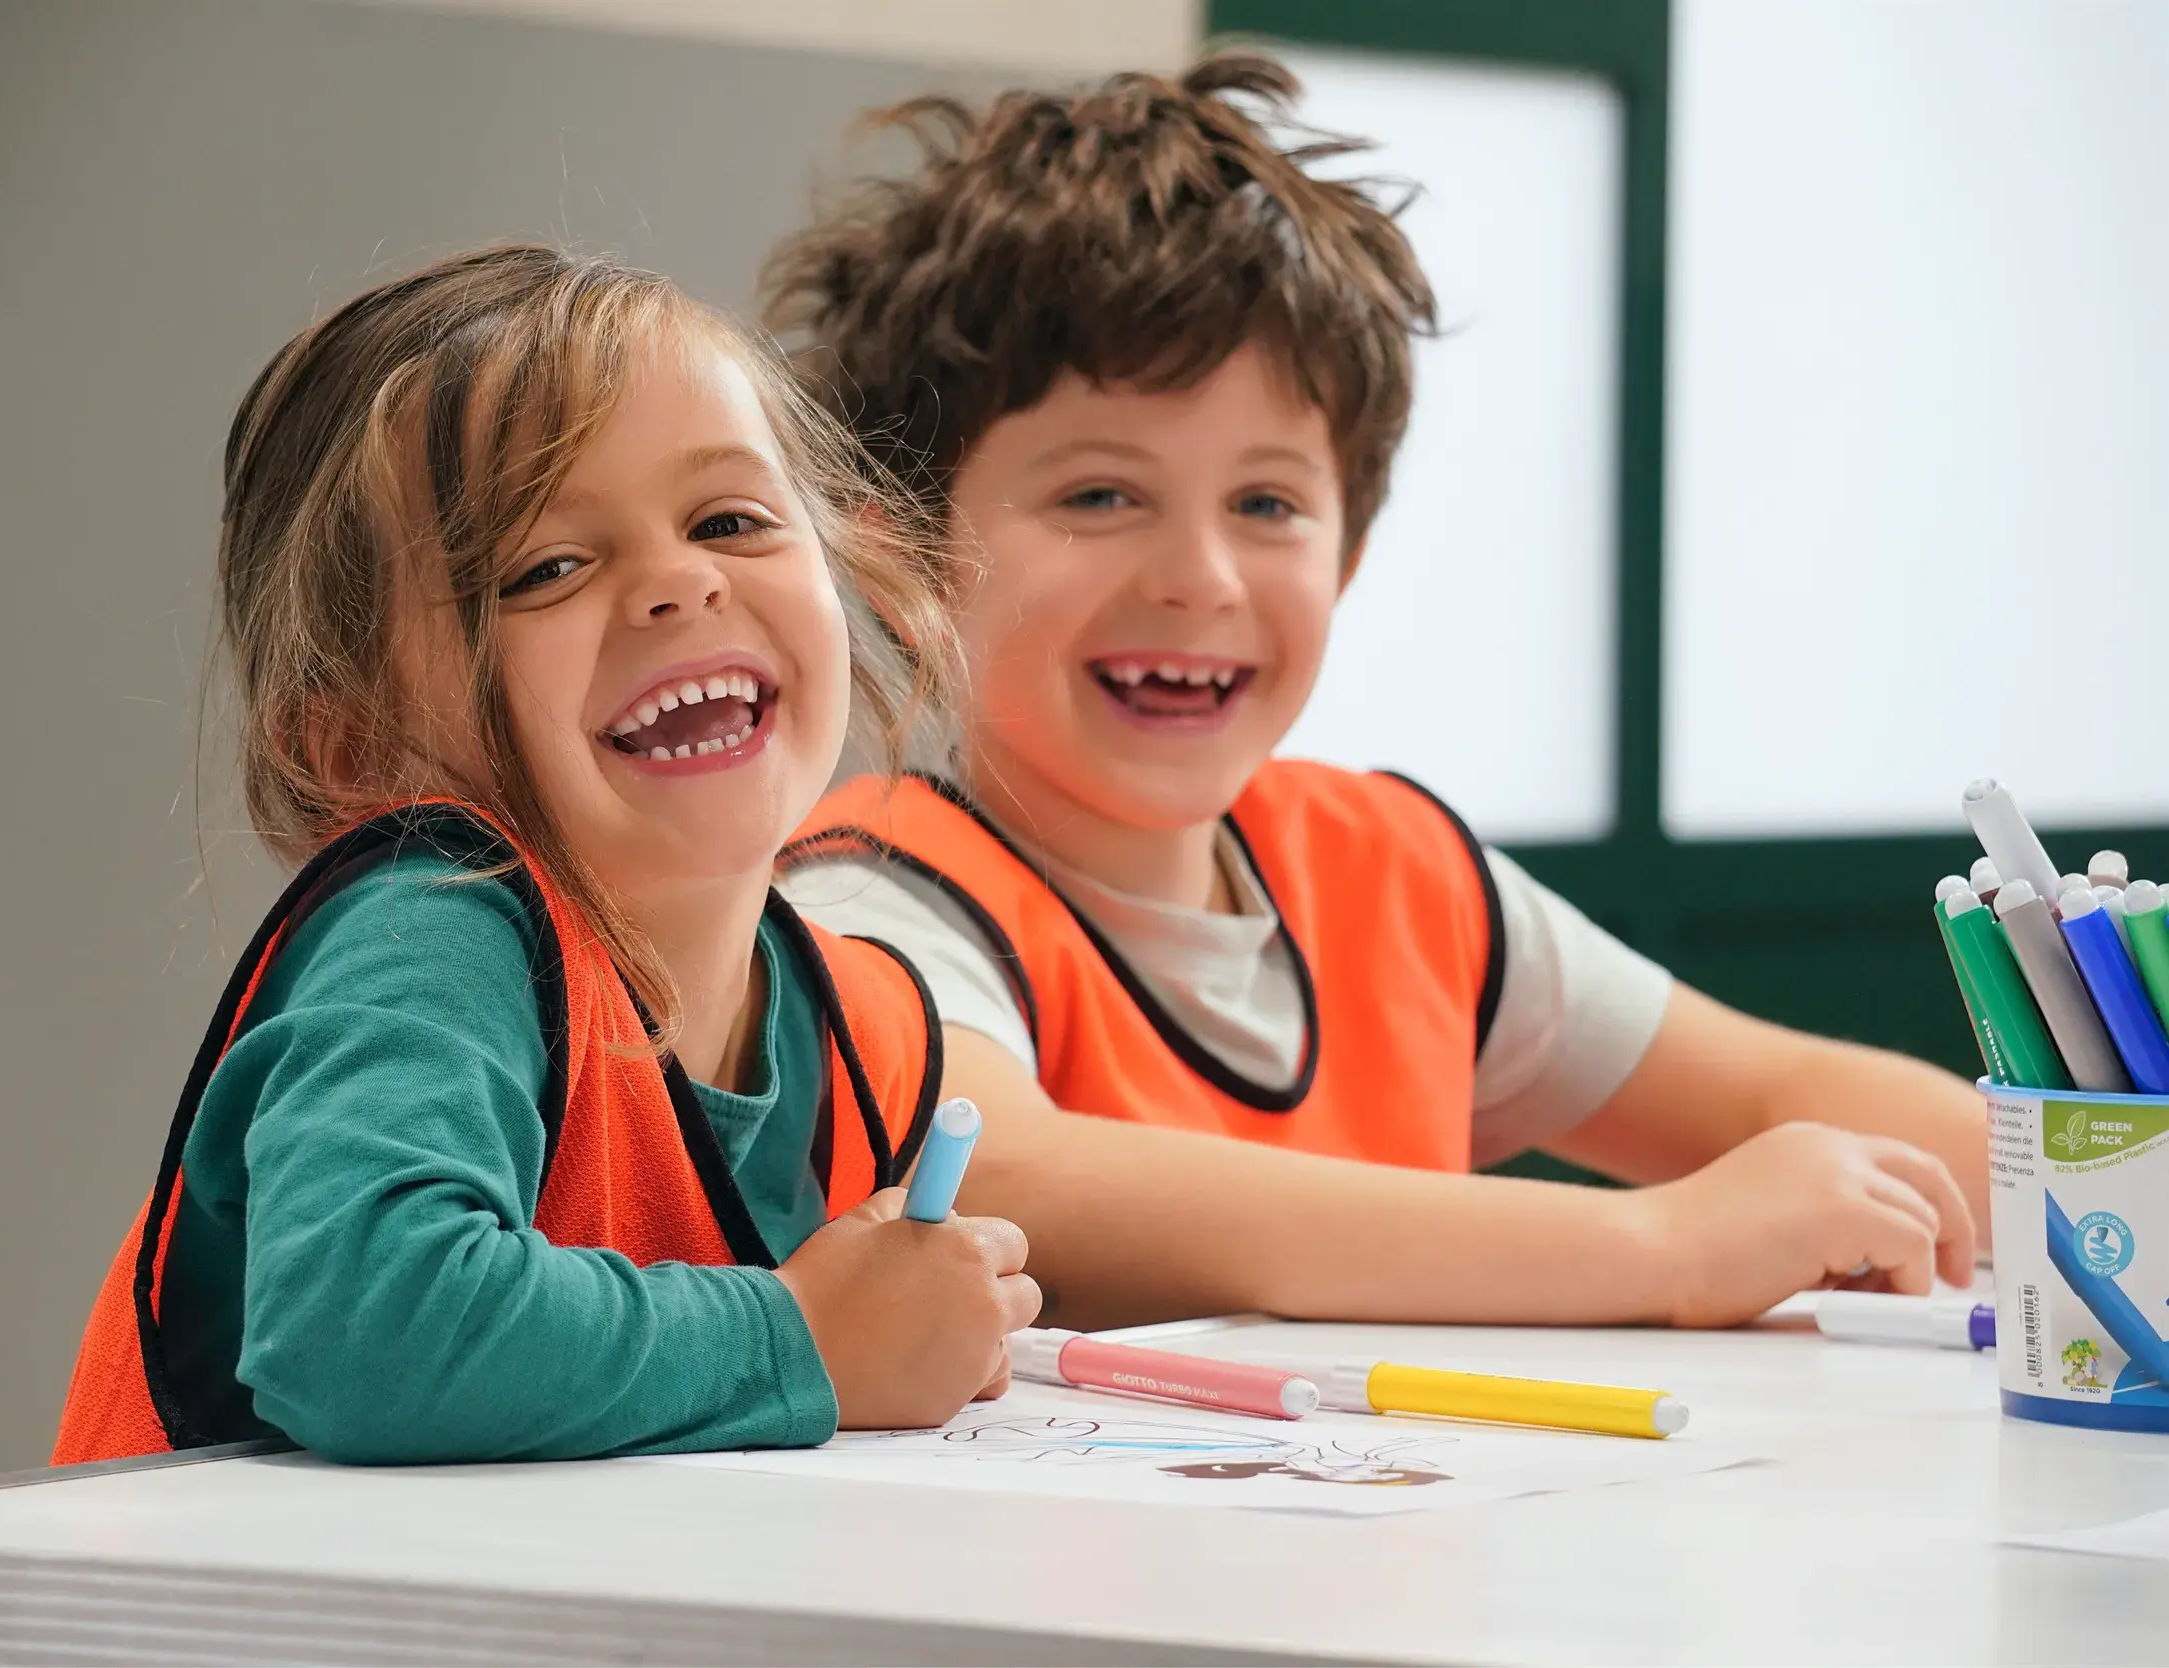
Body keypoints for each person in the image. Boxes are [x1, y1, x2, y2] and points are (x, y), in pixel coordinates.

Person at [769, 55, 1985, 1333]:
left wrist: (2101, 1186)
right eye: (1100, 497)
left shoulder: (1394, 873)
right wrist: (1660, 1245)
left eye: (1267, 505)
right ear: (902, 554)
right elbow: (1018, 1178)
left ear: (1347, 553)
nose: (1201, 578)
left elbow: (1762, 1097)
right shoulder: (864, 891)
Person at [53, 245, 1037, 1466]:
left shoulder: (870, 1029)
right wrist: (808, 1341)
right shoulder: (440, 922)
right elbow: (364, 1331)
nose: (677, 583)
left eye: (728, 520)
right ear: (358, 747)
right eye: (546, 569)